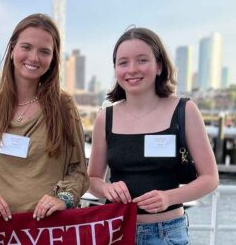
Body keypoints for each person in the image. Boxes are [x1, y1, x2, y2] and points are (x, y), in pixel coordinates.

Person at [88, 27, 219, 244]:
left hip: (166, 233)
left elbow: (210, 178)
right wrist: (106, 188)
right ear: (115, 69)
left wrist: (169, 197)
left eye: (142, 60)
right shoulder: (105, 117)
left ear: (159, 65)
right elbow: (92, 179)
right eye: (123, 62)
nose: (132, 69)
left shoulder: (184, 110)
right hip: (117, 231)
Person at [0, 13, 89, 222]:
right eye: (26, 47)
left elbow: (78, 171)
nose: (34, 57)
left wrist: (63, 199)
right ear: (12, 50)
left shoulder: (64, 108)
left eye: (44, 51)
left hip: (46, 232)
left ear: (53, 59)